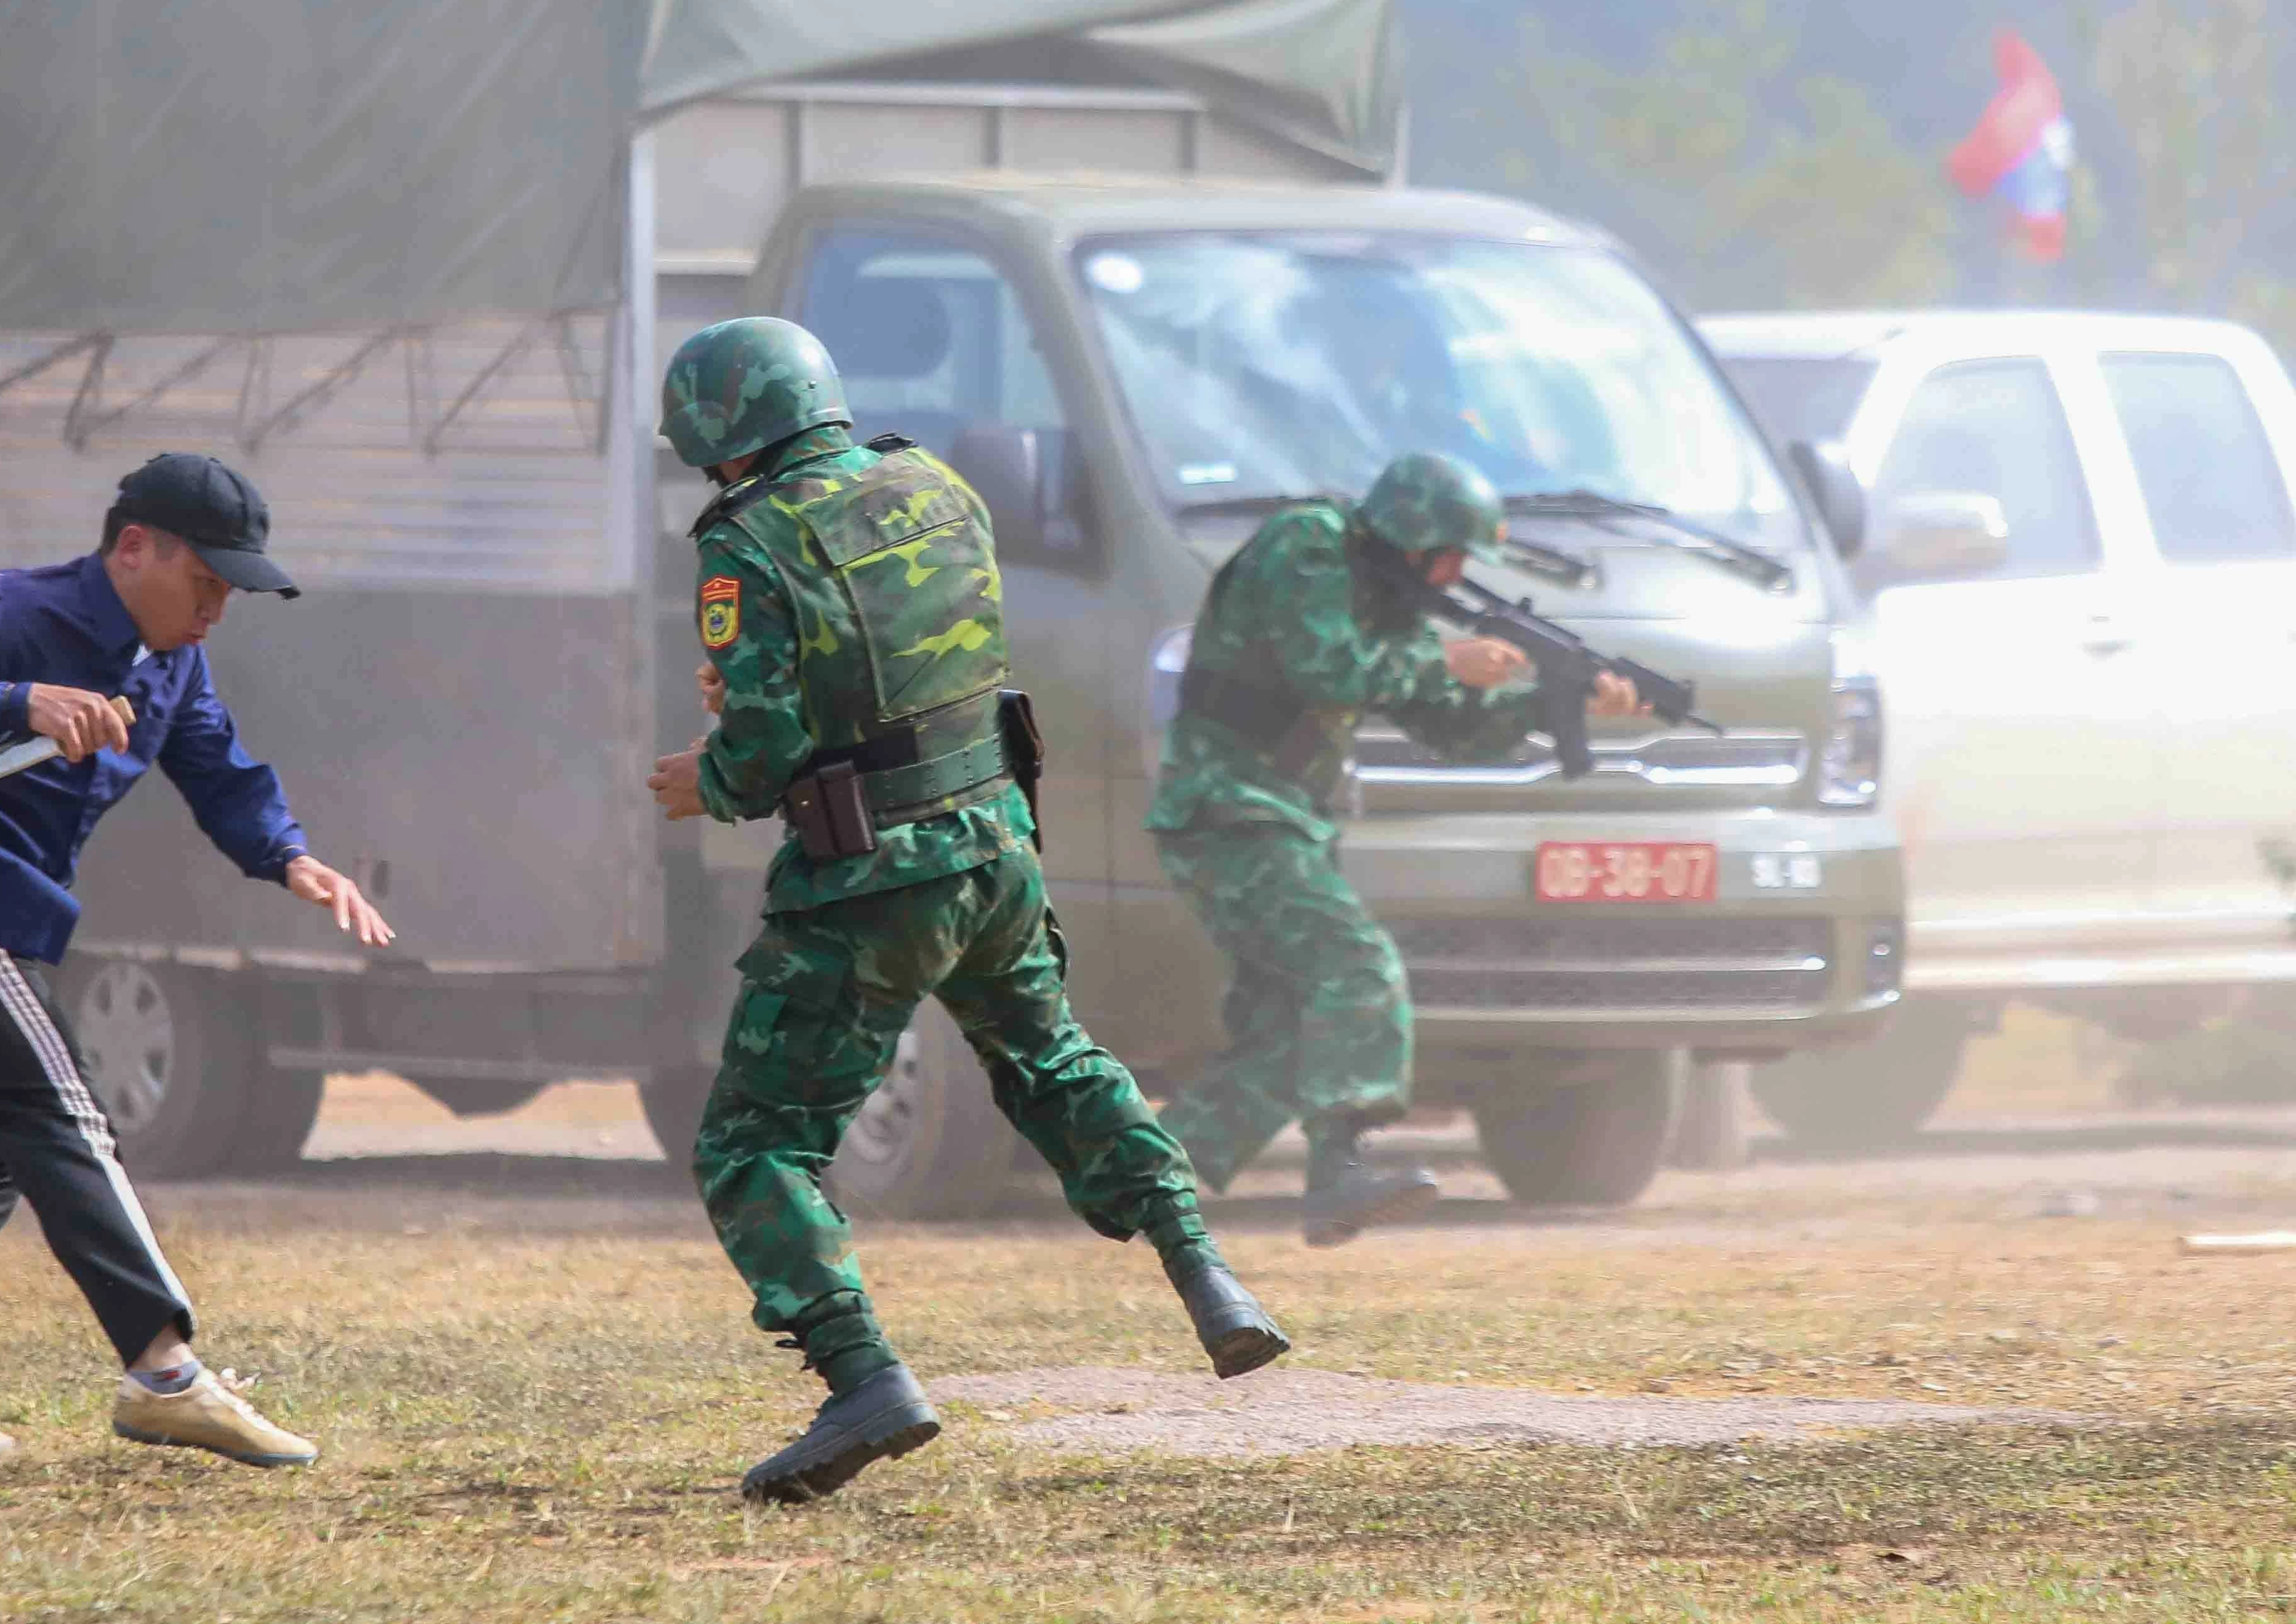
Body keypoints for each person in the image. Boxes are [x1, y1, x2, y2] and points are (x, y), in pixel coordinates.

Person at [644, 318, 1284, 1506]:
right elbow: (909, 661)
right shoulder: (934, 484)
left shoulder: (747, 539)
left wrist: (710, 773)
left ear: (726, 434)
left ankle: (863, 1378)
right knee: (1053, 1058)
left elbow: (771, 739)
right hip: (994, 849)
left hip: (867, 879)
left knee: (753, 1144)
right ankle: (1205, 1272)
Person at [0, 452, 390, 1470]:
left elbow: (218, 768)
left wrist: (287, 855)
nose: (217, 607)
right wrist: (16, 700)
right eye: (205, 580)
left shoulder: (172, 663)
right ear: (131, 548)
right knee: (64, 1121)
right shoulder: (2, 613)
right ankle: (165, 1376)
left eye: (230, 589)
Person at [1148, 451, 1634, 1241]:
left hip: (1284, 819)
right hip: (1226, 810)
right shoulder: (1307, 546)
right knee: (1355, 967)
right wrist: (1447, 657)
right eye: (1448, 555)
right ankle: (1338, 1174)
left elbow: (1453, 728)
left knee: (1286, 1035)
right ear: (1409, 535)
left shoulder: (1391, 604)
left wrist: (1554, 705)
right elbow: (1326, 669)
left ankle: (1141, 1179)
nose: (1454, 575)